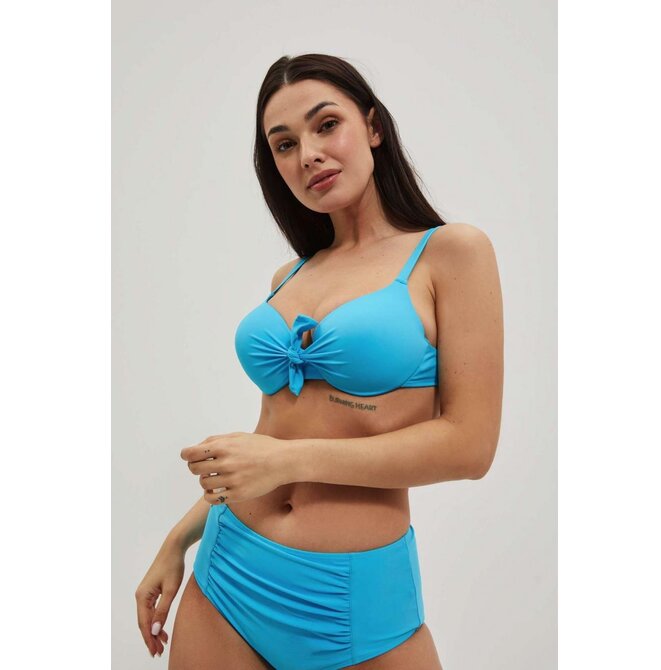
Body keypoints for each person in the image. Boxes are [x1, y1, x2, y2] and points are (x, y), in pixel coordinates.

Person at [135, 53, 504, 670]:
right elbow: (273, 437)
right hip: (227, 577)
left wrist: (286, 461)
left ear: (374, 127)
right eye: (284, 144)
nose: (307, 154)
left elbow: (470, 447)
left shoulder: (451, 254)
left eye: (326, 124)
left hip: (355, 599)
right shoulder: (290, 276)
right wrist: (178, 539)